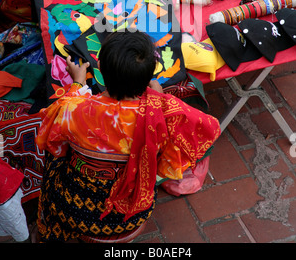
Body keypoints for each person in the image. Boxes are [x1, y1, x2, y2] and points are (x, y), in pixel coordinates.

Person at [36, 30, 220, 243]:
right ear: (148, 77)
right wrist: (160, 97)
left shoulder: (74, 110)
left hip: (74, 211)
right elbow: (209, 128)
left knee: (55, 153)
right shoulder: (161, 113)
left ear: (101, 71)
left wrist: (78, 83)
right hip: (132, 214)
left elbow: (49, 136)